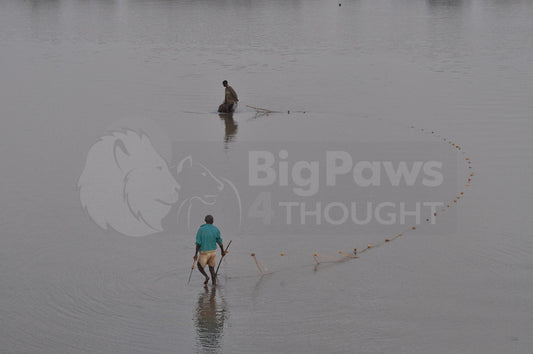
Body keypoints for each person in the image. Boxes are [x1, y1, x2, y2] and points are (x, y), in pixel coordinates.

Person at [193, 215, 225, 285]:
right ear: (212, 221)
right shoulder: (216, 229)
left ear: (205, 220)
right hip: (213, 252)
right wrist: (222, 251)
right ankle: (214, 286)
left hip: (204, 252)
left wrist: (195, 254)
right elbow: (220, 242)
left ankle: (206, 276)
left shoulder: (201, 229)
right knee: (212, 269)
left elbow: (198, 243)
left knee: (199, 266)